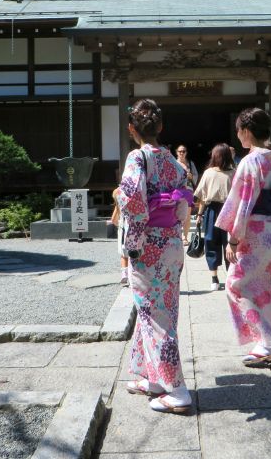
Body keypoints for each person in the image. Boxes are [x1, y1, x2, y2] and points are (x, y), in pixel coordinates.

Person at [116, 99, 193, 413]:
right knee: (162, 312)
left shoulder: (138, 156)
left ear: (131, 129)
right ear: (160, 127)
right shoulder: (175, 164)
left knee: (154, 317)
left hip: (148, 246)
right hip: (172, 244)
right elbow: (183, 205)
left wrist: (130, 243)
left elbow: (132, 199)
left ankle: (177, 391)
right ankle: (155, 378)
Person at [215, 108, 271, 367]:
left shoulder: (250, 162)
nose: (238, 136)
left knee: (236, 285)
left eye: (239, 131)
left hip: (255, 234)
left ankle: (268, 341)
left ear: (247, 131)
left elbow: (242, 203)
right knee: (270, 287)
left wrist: (233, 239)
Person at [194, 143, 235, 291]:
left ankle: (216, 278)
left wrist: (200, 213)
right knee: (226, 243)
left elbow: (201, 196)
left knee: (214, 242)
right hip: (227, 210)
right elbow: (203, 196)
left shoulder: (211, 173)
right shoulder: (231, 173)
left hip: (214, 210)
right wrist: (199, 214)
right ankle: (220, 277)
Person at [175, 144, 198, 243]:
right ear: (176, 152)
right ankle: (177, 235)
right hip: (177, 191)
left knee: (188, 215)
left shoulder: (190, 163)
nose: (182, 153)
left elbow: (195, 176)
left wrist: (191, 176)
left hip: (188, 190)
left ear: (186, 152)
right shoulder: (174, 163)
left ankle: (184, 237)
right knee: (176, 214)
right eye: (180, 151)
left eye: (183, 151)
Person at [111, 188, 129, 286]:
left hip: (122, 229)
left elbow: (113, 219)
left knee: (123, 254)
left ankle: (124, 275)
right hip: (134, 229)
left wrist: (118, 225)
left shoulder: (118, 206)